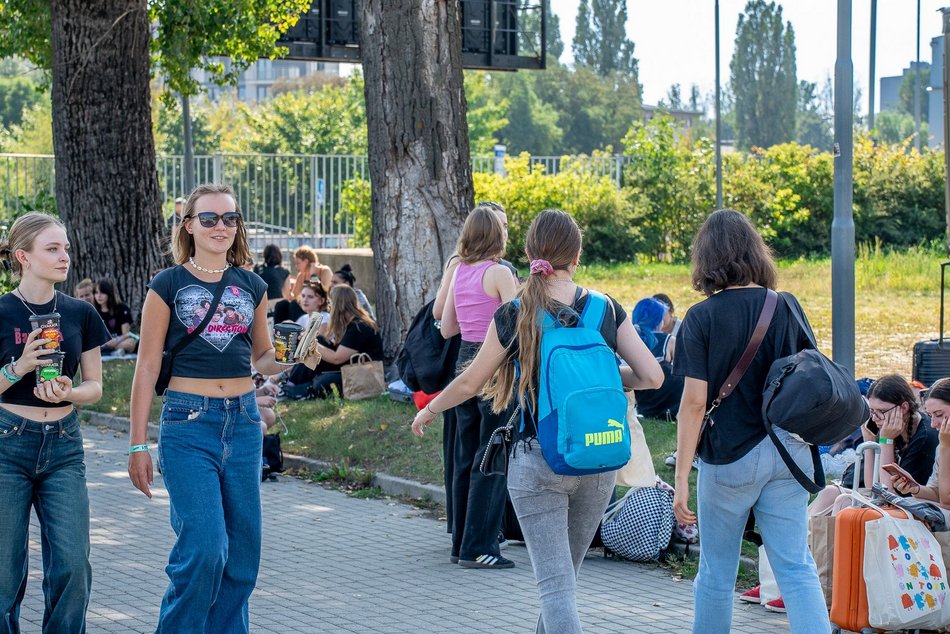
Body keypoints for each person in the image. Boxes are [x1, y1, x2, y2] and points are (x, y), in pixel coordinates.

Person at [412, 209, 662, 630]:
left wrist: (430, 408)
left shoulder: (517, 311)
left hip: (537, 458)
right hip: (598, 457)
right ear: (577, 255)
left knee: (556, 588)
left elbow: (473, 381)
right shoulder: (604, 309)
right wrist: (603, 375)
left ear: (529, 253)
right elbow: (652, 376)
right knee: (564, 583)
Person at [127, 183, 284, 633]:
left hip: (244, 421)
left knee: (241, 556)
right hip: (187, 422)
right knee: (204, 548)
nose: (221, 226)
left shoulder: (252, 285)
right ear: (189, 225)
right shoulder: (167, 284)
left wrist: (297, 355)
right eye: (210, 218)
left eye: (230, 218)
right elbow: (145, 367)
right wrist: (138, 444)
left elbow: (262, 357)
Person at [671, 209, 830, 634]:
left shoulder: (700, 318)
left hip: (729, 457)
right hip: (786, 451)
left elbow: (693, 404)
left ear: (706, 259)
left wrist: (682, 475)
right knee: (796, 567)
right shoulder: (787, 305)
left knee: (716, 575)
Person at [0, 212, 111, 632]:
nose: (64, 256)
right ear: (22, 256)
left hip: (64, 444)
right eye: (52, 248)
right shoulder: (3, 311)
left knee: (72, 568)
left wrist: (69, 392)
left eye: (65, 247)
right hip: (8, 443)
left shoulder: (79, 312)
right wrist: (19, 367)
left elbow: (95, 387)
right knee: (4, 575)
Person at [438, 205, 518, 569]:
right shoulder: (499, 273)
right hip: (495, 366)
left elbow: (446, 329)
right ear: (497, 236)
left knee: (466, 454)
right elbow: (521, 324)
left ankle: (460, 543)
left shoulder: (460, 272)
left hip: (463, 363)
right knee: (493, 454)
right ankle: (481, 547)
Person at [283, 285, 383, 400]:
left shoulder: (359, 327)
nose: (329, 307)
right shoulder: (351, 324)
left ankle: (293, 386)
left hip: (361, 372)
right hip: (349, 366)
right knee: (319, 342)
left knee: (323, 382)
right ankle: (292, 384)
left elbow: (337, 359)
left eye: (331, 303)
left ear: (338, 305)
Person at [891, 377, 950, 522]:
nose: (933, 424)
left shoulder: (944, 444)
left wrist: (945, 448)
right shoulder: (943, 443)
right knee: (892, 510)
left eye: (939, 415)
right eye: (930, 416)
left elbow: (946, 501)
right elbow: (937, 491)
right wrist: (915, 488)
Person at [629, 297, 684, 423]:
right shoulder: (669, 341)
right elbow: (684, 370)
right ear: (658, 320)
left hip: (640, 400)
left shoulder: (627, 341)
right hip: (669, 404)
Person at [94, 277, 138, 356]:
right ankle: (115, 351)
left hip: (120, 340)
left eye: (102, 292)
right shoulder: (94, 311)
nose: (99, 296)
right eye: (96, 292)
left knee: (130, 343)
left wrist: (116, 340)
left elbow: (126, 334)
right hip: (102, 343)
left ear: (110, 293)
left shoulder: (122, 308)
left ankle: (111, 351)